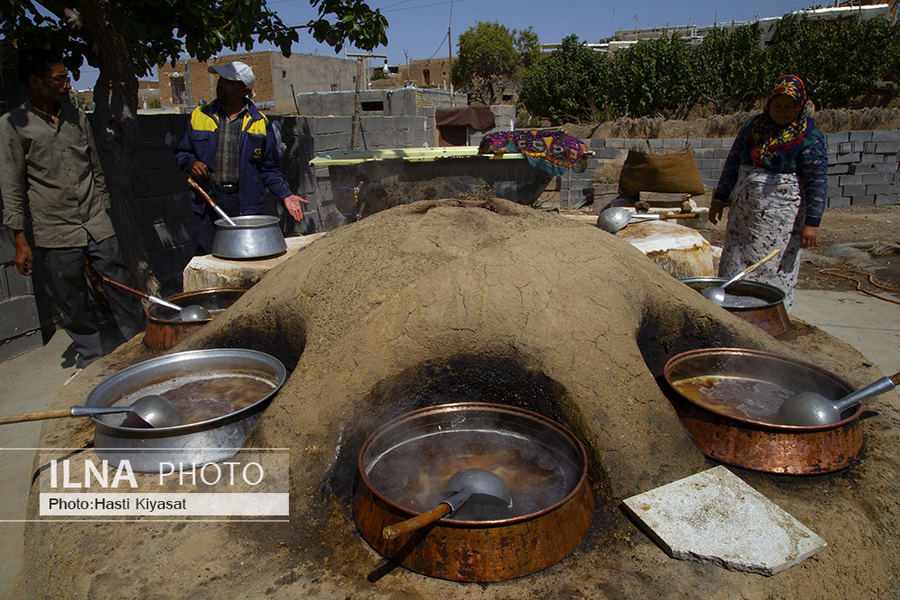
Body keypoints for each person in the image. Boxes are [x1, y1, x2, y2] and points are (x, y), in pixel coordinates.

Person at [0, 48, 145, 369]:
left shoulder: (75, 117)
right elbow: (10, 184)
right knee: (72, 296)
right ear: (35, 81)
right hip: (55, 226)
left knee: (118, 283)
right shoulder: (13, 125)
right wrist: (19, 240)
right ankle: (92, 357)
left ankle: (139, 345)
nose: (67, 84)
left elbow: (94, 167)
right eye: (60, 78)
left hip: (95, 219)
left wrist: (103, 207)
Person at [709, 74, 827, 311]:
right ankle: (732, 313)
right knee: (736, 265)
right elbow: (732, 164)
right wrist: (719, 198)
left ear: (800, 106)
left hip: (780, 221)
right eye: (777, 105)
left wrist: (812, 222)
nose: (781, 111)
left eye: (788, 106)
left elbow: (817, 182)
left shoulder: (808, 137)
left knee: (771, 270)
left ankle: (769, 318)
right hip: (743, 218)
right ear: (768, 103)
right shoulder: (753, 127)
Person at [174, 61, 309, 255]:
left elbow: (269, 169)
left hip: (244, 206)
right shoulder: (200, 115)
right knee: (208, 259)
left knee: (243, 259)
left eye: (229, 82)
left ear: (244, 89)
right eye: (221, 80)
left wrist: (286, 195)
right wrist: (192, 163)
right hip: (208, 203)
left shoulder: (261, 123)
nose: (221, 84)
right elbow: (182, 152)